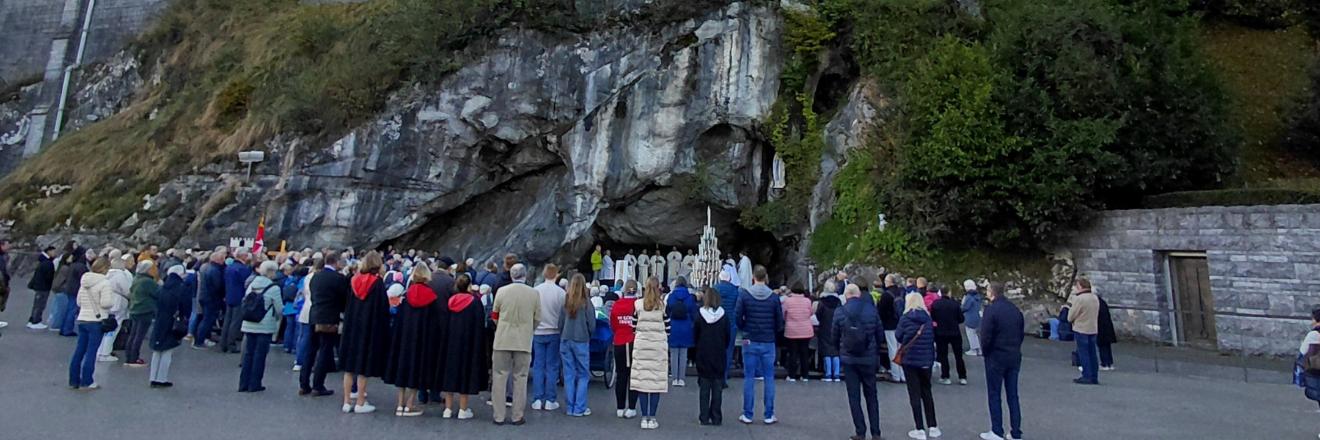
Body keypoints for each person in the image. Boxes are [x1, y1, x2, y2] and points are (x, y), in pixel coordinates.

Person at [384, 263, 440, 416]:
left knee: (402, 367)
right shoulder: (431, 296)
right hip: (422, 338)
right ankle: (410, 404)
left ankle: (400, 404)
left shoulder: (407, 294)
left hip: (405, 337)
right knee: (417, 368)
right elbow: (434, 323)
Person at [340, 251, 391, 413]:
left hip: (352, 326)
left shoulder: (353, 280)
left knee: (349, 367)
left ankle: (347, 401)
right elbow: (383, 309)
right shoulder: (377, 283)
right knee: (363, 367)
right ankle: (361, 401)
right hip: (369, 327)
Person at [833, 283, 884, 440]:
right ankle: (876, 432)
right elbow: (879, 334)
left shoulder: (840, 311)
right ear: (859, 295)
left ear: (846, 295)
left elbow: (834, 335)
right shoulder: (871, 310)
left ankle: (860, 431)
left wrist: (841, 350)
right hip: (868, 357)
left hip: (849, 358)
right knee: (871, 395)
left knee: (854, 396)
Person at [491, 263, 538, 425]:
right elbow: (537, 318)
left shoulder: (502, 292)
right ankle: (517, 415)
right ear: (525, 275)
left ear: (511, 275)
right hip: (523, 341)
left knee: (499, 376)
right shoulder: (534, 294)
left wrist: (501, 327)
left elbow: (494, 314)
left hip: (502, 339)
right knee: (521, 378)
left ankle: (499, 415)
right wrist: (528, 330)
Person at [735, 265, 783, 425]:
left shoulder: (745, 295)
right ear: (766, 277)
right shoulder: (774, 297)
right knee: (769, 377)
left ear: (753, 277)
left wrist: (744, 329)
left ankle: (748, 414)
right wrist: (772, 332)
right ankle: (769, 414)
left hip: (750, 339)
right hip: (768, 340)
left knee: (749, 377)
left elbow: (737, 316)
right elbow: (779, 321)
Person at [979, 282, 1024, 440]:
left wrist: (985, 352)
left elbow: (985, 335)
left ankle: (996, 430)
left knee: (994, 393)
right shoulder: (1015, 310)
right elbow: (1020, 332)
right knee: (1013, 394)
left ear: (992, 293)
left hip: (996, 355)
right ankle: (1016, 431)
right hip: (1013, 354)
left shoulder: (991, 310)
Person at [441, 273, 489, 420]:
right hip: (468, 343)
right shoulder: (475, 303)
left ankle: (447, 409)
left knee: (449, 374)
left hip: (450, 343)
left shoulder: (450, 301)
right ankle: (463, 409)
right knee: (465, 374)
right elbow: (480, 325)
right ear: (469, 286)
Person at [897, 292, 939, 439]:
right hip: (926, 359)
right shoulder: (927, 318)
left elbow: (898, 336)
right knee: (927, 392)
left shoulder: (905, 318)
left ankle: (919, 428)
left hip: (910, 360)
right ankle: (933, 426)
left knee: (914, 394)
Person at [630, 276, 670, 430]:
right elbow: (668, 328)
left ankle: (643, 418)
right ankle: (652, 417)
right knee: (655, 383)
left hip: (642, 346)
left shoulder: (638, 304)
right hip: (658, 347)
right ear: (658, 288)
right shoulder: (663, 305)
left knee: (642, 382)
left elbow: (633, 326)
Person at [69, 257, 113, 390]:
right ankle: (87, 381)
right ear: (105, 268)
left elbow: (79, 302)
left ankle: (73, 379)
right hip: (96, 320)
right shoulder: (105, 283)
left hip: (83, 318)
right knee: (91, 352)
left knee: (79, 351)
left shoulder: (85, 282)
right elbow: (106, 303)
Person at [239, 261, 283, 393]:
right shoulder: (273, 288)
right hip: (265, 324)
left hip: (249, 323)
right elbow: (279, 309)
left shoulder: (252, 284)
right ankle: (255, 383)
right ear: (271, 272)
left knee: (248, 354)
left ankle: (243, 383)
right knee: (260, 355)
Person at [559, 274, 597, 416]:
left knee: (569, 374)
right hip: (581, 340)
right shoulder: (586, 303)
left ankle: (570, 407)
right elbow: (592, 324)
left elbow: (560, 322)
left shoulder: (566, 301)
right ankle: (579, 407)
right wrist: (588, 334)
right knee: (583, 374)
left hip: (566, 338)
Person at [530, 264, 565, 411]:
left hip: (538, 331)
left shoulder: (536, 291)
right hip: (554, 331)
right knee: (552, 366)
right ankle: (550, 399)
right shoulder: (561, 293)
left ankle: (537, 398)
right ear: (556, 274)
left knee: (538, 365)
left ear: (544, 274)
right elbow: (563, 314)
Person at [694, 286, 730, 426]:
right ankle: (716, 416)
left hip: (703, 353)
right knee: (717, 387)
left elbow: (695, 334)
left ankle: (703, 416)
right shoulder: (724, 316)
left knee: (704, 387)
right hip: (719, 353)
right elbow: (727, 336)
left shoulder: (700, 315)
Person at [149, 265, 191, 388]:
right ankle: (162, 378)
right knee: (167, 351)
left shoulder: (162, 288)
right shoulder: (181, 288)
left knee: (157, 350)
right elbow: (185, 307)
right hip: (172, 321)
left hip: (160, 321)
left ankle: (153, 377)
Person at [610, 279, 640, 418]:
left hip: (619, 342)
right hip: (634, 341)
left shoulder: (617, 304)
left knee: (621, 375)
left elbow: (613, 323)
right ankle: (632, 407)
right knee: (633, 376)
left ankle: (620, 407)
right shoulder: (638, 305)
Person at [97, 251, 132, 362]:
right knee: (113, 329)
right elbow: (127, 290)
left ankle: (100, 351)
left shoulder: (107, 274)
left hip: (107, 301)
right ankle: (105, 353)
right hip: (118, 303)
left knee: (106, 327)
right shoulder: (120, 275)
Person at [124, 260, 160, 367]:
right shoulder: (148, 282)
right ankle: (134, 358)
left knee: (133, 334)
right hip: (145, 309)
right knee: (139, 335)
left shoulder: (136, 278)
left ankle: (129, 356)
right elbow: (158, 293)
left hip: (135, 308)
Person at [930, 286, 967, 385]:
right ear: (949, 292)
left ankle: (945, 376)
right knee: (958, 356)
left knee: (943, 355)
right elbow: (961, 319)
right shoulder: (955, 304)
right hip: (954, 332)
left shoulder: (936, 304)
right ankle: (962, 376)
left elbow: (933, 317)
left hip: (940, 332)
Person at [1067, 278, 1100, 385]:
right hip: (1093, 328)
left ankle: (1087, 375)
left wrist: (1070, 319)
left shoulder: (1079, 299)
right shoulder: (1094, 298)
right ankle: (1094, 376)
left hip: (1081, 328)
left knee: (1083, 353)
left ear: (1080, 286)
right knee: (1092, 353)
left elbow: (1071, 315)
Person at [666, 276, 698, 387]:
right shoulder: (690, 297)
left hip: (673, 326)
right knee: (683, 354)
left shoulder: (671, 296)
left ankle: (674, 378)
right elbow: (695, 313)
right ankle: (682, 379)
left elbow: (667, 311)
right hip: (686, 327)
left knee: (674, 354)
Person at [193, 249, 226, 349]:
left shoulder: (205, 267)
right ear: (219, 260)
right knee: (207, 320)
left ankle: (200, 338)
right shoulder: (215, 270)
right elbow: (218, 286)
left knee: (204, 319)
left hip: (204, 296)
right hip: (212, 298)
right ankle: (199, 341)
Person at [221, 249, 252, 353]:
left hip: (229, 295)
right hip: (239, 297)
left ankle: (223, 343)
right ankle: (231, 344)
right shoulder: (243, 269)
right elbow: (246, 283)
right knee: (235, 322)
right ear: (243, 256)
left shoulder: (229, 267)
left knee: (227, 321)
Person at [782, 284, 814, 382]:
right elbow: (811, 313)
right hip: (805, 330)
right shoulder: (807, 301)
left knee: (793, 353)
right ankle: (805, 375)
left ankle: (792, 375)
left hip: (791, 330)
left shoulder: (787, 301)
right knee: (804, 353)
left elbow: (784, 314)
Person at [715, 270, 741, 381]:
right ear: (729, 279)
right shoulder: (735, 290)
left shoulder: (715, 288)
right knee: (728, 350)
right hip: (731, 322)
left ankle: (717, 375)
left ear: (720, 278)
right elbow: (738, 307)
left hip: (717, 322)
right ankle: (724, 376)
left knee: (716, 350)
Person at [816, 281, 843, 382]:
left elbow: (818, 315)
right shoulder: (838, 301)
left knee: (826, 351)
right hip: (836, 326)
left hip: (824, 327)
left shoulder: (822, 302)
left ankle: (828, 373)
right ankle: (836, 373)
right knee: (836, 350)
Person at [25, 246, 56, 330]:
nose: (54, 253)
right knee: (40, 305)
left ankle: (32, 320)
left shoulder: (43, 261)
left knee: (37, 304)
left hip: (40, 286)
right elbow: (49, 276)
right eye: (53, 251)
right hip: (43, 287)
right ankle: (36, 321)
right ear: (49, 252)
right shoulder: (47, 263)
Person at [962, 280, 983, 356]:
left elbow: (964, 308)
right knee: (976, 334)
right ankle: (979, 349)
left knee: (971, 334)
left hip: (969, 318)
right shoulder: (977, 296)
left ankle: (973, 349)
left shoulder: (968, 297)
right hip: (977, 316)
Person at [1097, 292, 1117, 371]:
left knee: (1102, 346)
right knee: (1107, 347)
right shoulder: (1103, 303)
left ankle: (1105, 363)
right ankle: (1109, 363)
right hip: (1107, 328)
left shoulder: (1098, 304)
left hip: (1102, 329)